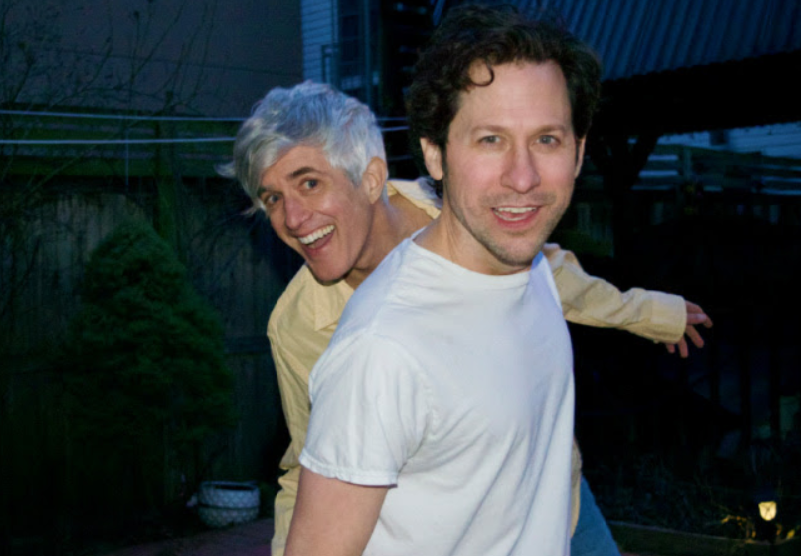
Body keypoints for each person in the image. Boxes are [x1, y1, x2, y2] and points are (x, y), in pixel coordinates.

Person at [221, 18, 711, 556]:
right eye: (272, 199)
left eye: (310, 183)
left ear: (371, 177)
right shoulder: (316, 329)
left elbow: (561, 280)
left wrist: (650, 313)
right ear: (438, 152)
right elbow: (315, 465)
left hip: (554, 489)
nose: (292, 218)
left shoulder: (473, 213)